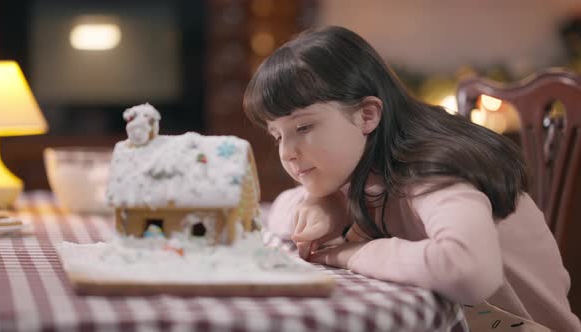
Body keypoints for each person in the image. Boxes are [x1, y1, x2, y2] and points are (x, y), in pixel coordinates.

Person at [242, 26, 581, 331]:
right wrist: (318, 201)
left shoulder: (433, 170)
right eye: (277, 136)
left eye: (303, 127)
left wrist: (348, 253)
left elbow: (469, 270)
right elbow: (278, 213)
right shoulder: (359, 169)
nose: (287, 151)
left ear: (367, 115)